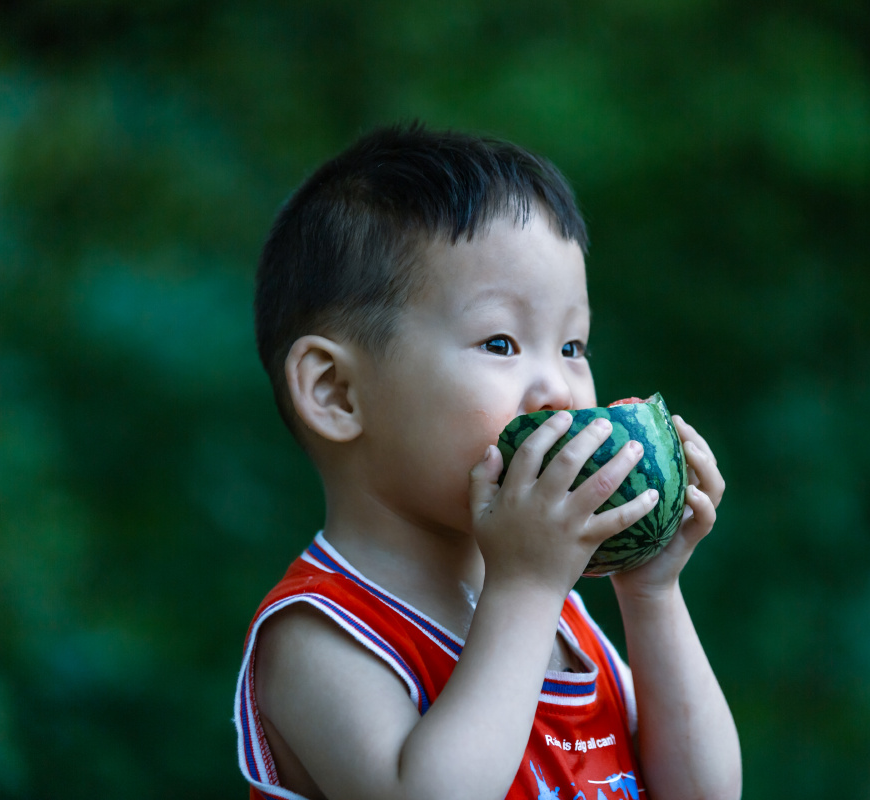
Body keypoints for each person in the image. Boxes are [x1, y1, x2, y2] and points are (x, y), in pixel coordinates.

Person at [234, 123, 741, 800]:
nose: (560, 391)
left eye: (573, 346)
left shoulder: (562, 622)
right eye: (501, 343)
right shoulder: (320, 635)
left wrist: (650, 593)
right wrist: (528, 591)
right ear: (336, 392)